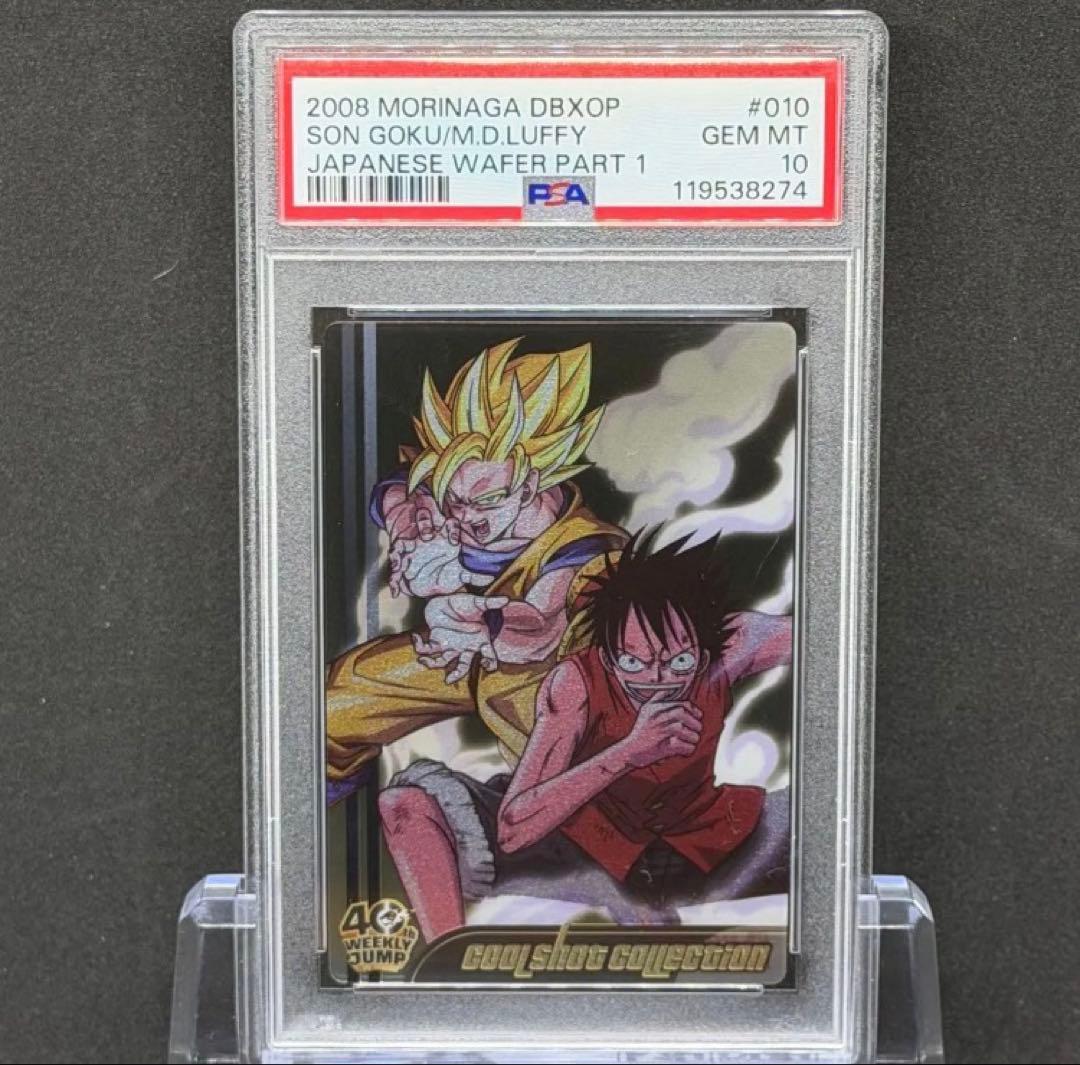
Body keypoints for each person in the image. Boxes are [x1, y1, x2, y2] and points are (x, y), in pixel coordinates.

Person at [380, 531, 792, 941]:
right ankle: (447, 952)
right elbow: (514, 827)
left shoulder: (734, 645)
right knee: (404, 804)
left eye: (679, 662)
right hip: (586, 839)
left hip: (702, 834)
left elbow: (819, 636)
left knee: (804, 817)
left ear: (703, 652)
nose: (657, 678)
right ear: (609, 658)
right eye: (633, 663)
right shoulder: (574, 684)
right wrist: (629, 752)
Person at [327, 337, 626, 791]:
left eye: (487, 500)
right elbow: (400, 488)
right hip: (458, 658)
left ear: (531, 484)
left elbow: (538, 627)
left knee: (558, 768)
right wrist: (411, 525)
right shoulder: (456, 482)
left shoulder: (585, 547)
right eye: (455, 500)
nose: (467, 517)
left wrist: (467, 612)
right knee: (340, 702)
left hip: (544, 678)